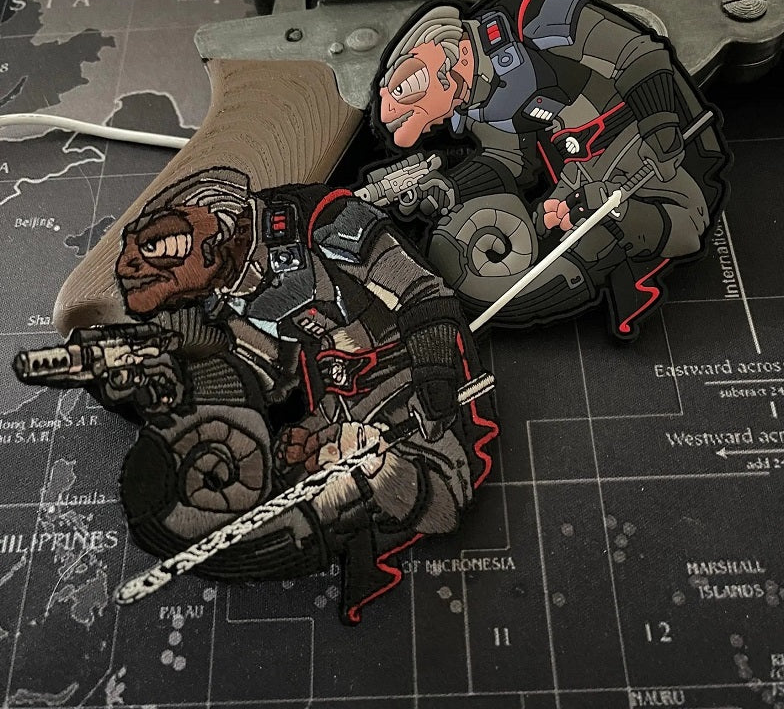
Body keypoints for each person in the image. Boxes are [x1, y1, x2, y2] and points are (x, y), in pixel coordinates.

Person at [108, 166, 498, 622]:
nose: (138, 266)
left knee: (439, 498)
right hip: (339, 393)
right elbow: (267, 372)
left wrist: (434, 375)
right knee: (295, 480)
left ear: (218, 220)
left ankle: (380, 471)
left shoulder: (323, 221)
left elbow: (421, 291)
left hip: (407, 368)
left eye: (163, 245)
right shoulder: (223, 293)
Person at [372, 0, 728, 335]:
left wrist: (659, 125)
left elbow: (636, 53)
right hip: (579, 171)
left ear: (444, 57)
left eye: (410, 89)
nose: (436, 123)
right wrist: (452, 187)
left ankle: (622, 217)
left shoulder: (531, 16)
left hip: (646, 143)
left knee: (671, 226)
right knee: (534, 245)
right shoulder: (472, 103)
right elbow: (508, 158)